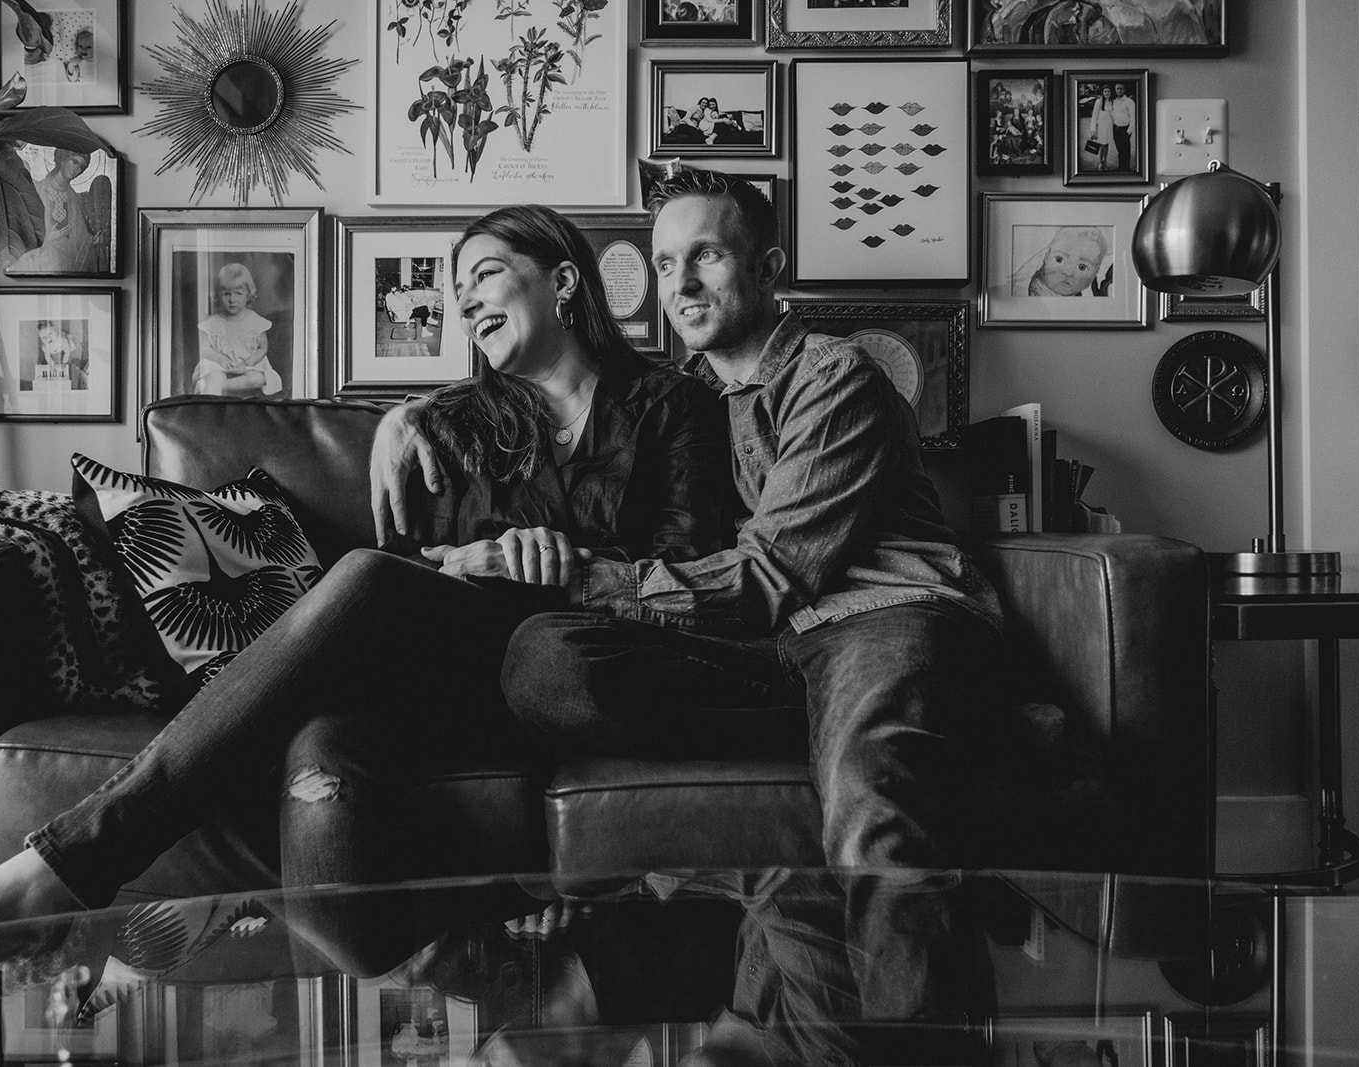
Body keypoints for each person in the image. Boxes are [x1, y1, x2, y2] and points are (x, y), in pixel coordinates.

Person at [0, 204, 736, 1010]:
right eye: (456, 291)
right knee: (326, 727)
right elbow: (416, 572)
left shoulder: (672, 407)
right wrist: (476, 551)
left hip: (573, 672)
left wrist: (569, 569)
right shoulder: (443, 426)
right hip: (449, 671)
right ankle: (457, 984)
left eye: (487, 274)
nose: (467, 300)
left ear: (564, 281)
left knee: (347, 622)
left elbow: (693, 569)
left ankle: (50, 882)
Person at [370, 168, 1004, 1026]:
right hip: (773, 650)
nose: (683, 284)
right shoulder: (691, 401)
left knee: (875, 818)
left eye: (705, 255)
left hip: (873, 618)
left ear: (769, 266)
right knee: (548, 663)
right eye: (666, 265)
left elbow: (769, 574)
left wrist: (577, 574)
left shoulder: (834, 377)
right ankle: (825, 744)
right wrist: (409, 412)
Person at [6, 148, 111, 275]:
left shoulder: (73, 199)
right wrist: (48, 239)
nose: (77, 169)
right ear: (63, 159)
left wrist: (91, 241)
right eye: (75, 162)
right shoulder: (37, 189)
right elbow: (22, 230)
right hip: (40, 260)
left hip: (67, 261)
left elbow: (79, 235)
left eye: (82, 167)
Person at [193, 262, 283, 397]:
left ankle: (221, 387)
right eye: (226, 294)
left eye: (238, 293)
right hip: (219, 366)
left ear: (248, 294)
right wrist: (219, 358)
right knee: (215, 376)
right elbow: (204, 348)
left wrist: (248, 362)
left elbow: (262, 348)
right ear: (218, 295)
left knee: (258, 379)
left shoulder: (255, 322)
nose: (232, 299)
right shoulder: (213, 323)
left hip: (246, 366)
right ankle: (213, 388)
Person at [1016, 225, 1109, 296]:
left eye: (1082, 267)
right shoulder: (1027, 291)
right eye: (1059, 259)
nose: (1068, 272)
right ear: (1045, 258)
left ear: (1095, 273)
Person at [34, 319, 87, 390]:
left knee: (69, 342)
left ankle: (68, 337)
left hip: (61, 346)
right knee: (44, 349)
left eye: (50, 333)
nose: (48, 338)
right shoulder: (45, 347)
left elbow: (67, 351)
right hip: (54, 350)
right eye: (44, 337)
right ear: (41, 339)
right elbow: (47, 356)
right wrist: (52, 364)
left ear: (55, 332)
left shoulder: (61, 340)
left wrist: (64, 362)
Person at [1108, 82, 1136, 172]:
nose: (1119, 90)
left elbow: (1133, 117)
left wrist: (1129, 131)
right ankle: (1121, 168)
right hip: (1116, 129)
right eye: (1117, 89)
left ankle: (1126, 169)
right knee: (1120, 150)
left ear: (1124, 90)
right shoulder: (1114, 102)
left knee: (1125, 151)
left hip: (1125, 130)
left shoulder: (1129, 102)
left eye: (1121, 88)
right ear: (1115, 90)